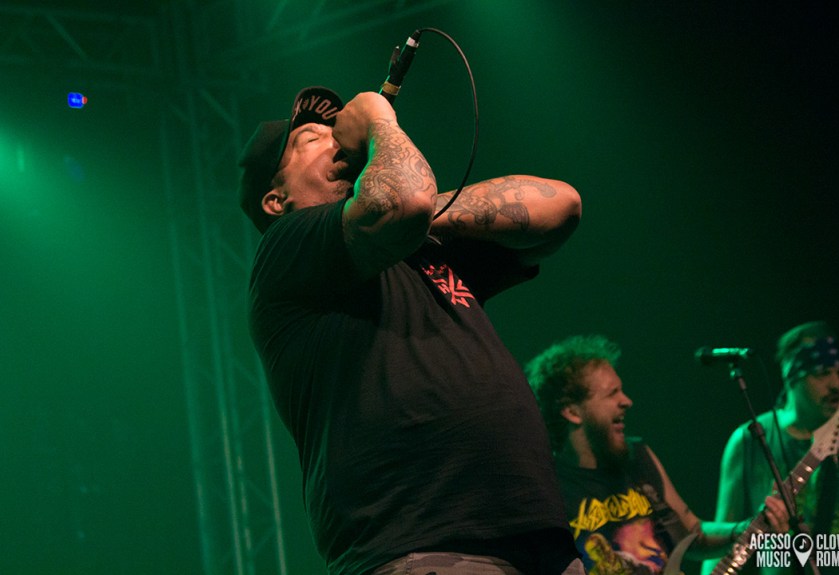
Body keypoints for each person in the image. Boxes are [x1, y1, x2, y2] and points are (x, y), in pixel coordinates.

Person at [237, 85, 585, 575]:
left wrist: (417, 216)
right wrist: (377, 115)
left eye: (337, 131)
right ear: (276, 199)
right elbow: (404, 202)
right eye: (312, 138)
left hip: (540, 539)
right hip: (423, 542)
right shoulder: (285, 250)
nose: (337, 140)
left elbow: (560, 207)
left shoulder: (416, 242)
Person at [524, 334, 789, 575]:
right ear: (572, 412)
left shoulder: (636, 458)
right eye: (612, 393)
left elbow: (693, 535)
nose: (626, 401)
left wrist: (744, 529)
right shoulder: (548, 488)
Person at [701, 321, 839, 575]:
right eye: (822, 373)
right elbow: (723, 540)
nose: (836, 385)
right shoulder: (749, 440)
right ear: (791, 375)